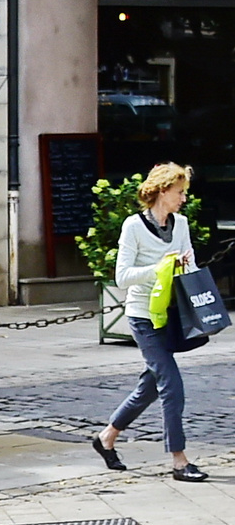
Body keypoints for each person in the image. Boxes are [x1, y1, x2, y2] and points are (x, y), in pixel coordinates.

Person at [93, 162, 208, 482]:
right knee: (171, 384)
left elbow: (190, 267)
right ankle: (179, 460)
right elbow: (122, 277)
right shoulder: (133, 226)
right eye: (180, 192)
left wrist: (185, 266)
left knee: (150, 386)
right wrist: (159, 267)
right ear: (162, 191)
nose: (183, 198)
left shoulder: (181, 224)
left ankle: (106, 438)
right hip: (143, 316)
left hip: (171, 316)